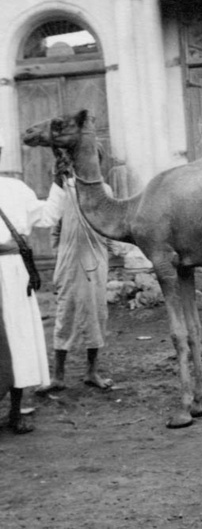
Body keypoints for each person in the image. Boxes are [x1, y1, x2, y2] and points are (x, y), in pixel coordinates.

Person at [0, 136, 65, 433]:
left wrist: (58, 182)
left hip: (13, 272)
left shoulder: (15, 189)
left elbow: (49, 215)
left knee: (19, 337)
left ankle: (15, 413)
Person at [37, 150, 113, 394]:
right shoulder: (65, 190)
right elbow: (55, 227)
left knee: (96, 313)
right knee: (64, 313)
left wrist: (108, 249)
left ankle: (92, 371)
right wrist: (62, 252)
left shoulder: (105, 192)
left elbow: (110, 225)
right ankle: (58, 376)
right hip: (69, 260)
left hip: (94, 260)